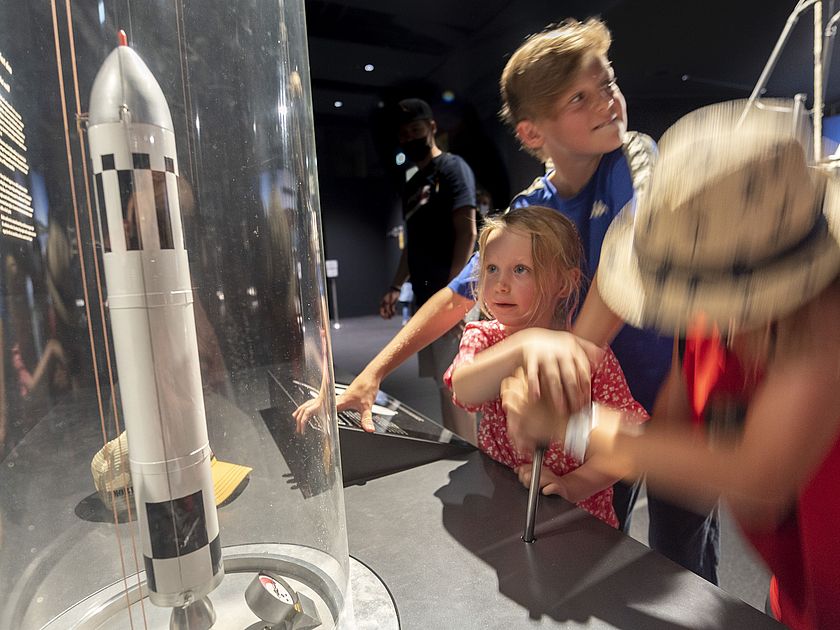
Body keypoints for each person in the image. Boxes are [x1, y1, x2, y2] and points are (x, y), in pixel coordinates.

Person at [328, 19, 719, 582]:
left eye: (608, 83)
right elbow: (459, 295)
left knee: (684, 560)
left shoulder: (634, 159)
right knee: (601, 542)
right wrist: (372, 373)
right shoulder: (530, 210)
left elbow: (626, 256)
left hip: (677, 404)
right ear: (534, 134)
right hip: (596, 414)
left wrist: (563, 360)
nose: (607, 102)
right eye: (579, 98)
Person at [501, 100, 840, 630]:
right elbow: (675, 435)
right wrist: (585, 468)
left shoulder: (825, 322)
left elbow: (761, 473)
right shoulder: (714, 322)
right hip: (798, 593)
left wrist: (572, 423)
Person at [444, 206, 646, 526]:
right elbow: (464, 388)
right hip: (504, 505)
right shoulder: (483, 336)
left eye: (520, 269)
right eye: (492, 268)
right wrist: (525, 345)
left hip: (579, 521)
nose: (500, 284)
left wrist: (570, 486)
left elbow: (626, 448)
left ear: (564, 284)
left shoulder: (588, 358)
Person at [379, 97, 478, 441]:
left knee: (462, 379)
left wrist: (454, 291)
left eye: (416, 130)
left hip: (452, 293)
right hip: (426, 297)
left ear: (432, 128)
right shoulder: (412, 184)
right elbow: (412, 244)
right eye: (404, 133)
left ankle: (475, 457)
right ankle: (460, 447)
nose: (410, 138)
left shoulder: (452, 168)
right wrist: (395, 286)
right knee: (444, 379)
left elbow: (468, 230)